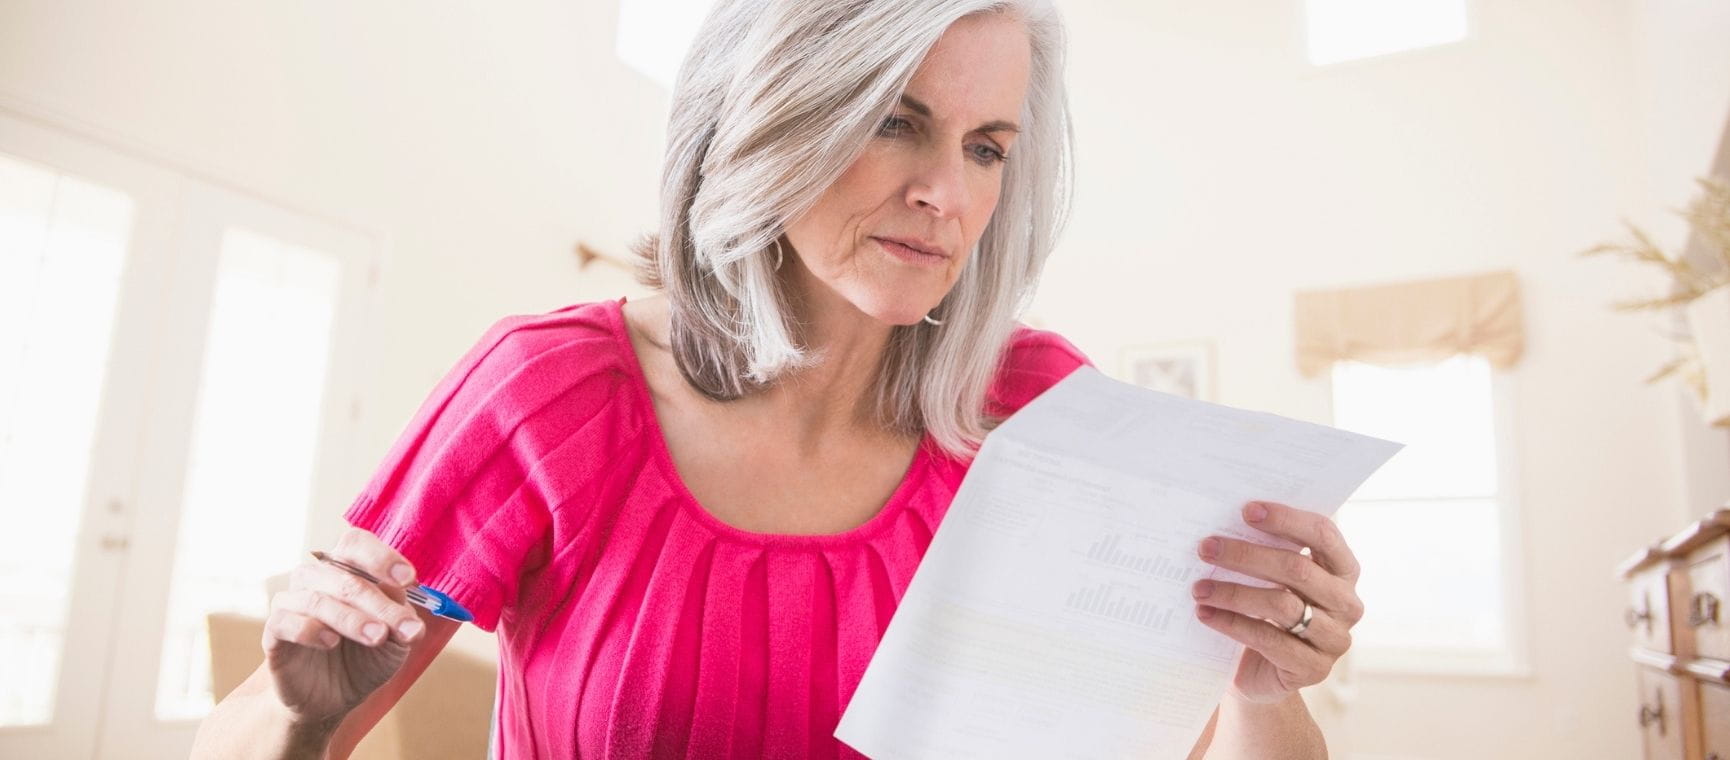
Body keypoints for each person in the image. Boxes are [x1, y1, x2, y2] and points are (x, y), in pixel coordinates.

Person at [192, 0, 1362, 757]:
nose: (946, 196)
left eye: (985, 146)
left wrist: (1256, 687)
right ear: (765, 123)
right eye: (893, 123)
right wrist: (309, 719)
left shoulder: (1036, 412)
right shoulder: (546, 393)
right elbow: (265, 735)